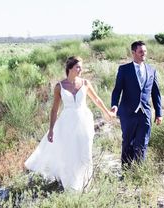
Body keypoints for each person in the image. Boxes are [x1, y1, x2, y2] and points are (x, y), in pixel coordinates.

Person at [25, 56, 115, 191]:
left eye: (81, 66)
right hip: (67, 124)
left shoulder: (85, 83)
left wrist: (107, 112)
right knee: (69, 153)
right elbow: (54, 110)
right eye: (78, 67)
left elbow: (96, 99)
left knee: (85, 152)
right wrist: (51, 130)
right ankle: (71, 186)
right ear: (69, 68)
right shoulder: (59, 87)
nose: (81, 69)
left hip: (84, 121)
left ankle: (85, 183)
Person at [111, 40, 162, 167]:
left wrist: (158, 113)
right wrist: (114, 105)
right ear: (133, 53)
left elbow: (156, 93)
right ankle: (126, 171)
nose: (143, 54)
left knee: (143, 142)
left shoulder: (151, 70)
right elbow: (117, 89)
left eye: (145, 51)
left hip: (144, 113)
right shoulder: (124, 69)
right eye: (140, 52)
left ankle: (140, 171)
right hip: (127, 113)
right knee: (127, 142)